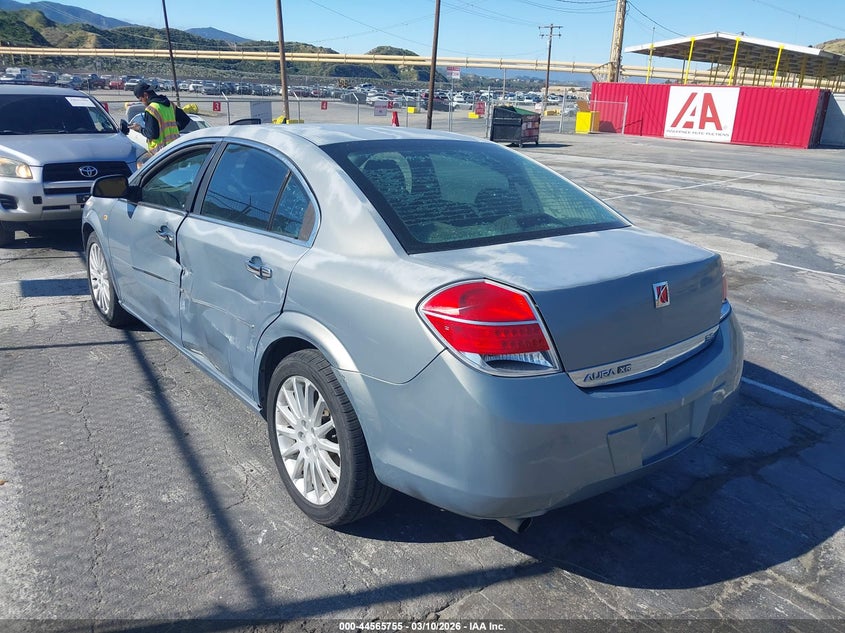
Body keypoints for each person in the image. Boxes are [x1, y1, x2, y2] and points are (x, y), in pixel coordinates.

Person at [129, 81, 191, 154]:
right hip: (174, 149)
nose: (142, 102)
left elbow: (152, 134)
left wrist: (139, 128)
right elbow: (185, 119)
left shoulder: (151, 109)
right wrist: (172, 129)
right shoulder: (170, 105)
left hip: (161, 154)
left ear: (145, 95)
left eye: (140, 99)